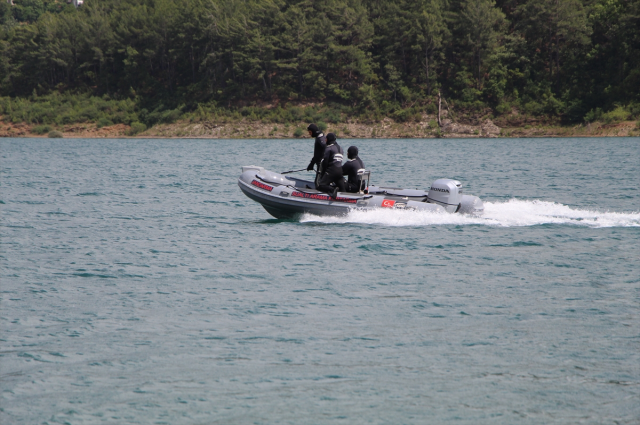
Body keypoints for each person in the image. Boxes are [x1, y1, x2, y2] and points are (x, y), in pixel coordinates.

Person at [316, 133, 345, 199]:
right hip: (340, 171)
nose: (325, 140)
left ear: (329, 139)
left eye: (326, 138)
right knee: (343, 190)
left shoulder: (328, 148)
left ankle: (332, 189)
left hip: (331, 171)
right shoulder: (341, 148)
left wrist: (323, 174)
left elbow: (325, 162)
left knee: (321, 186)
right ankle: (347, 199)